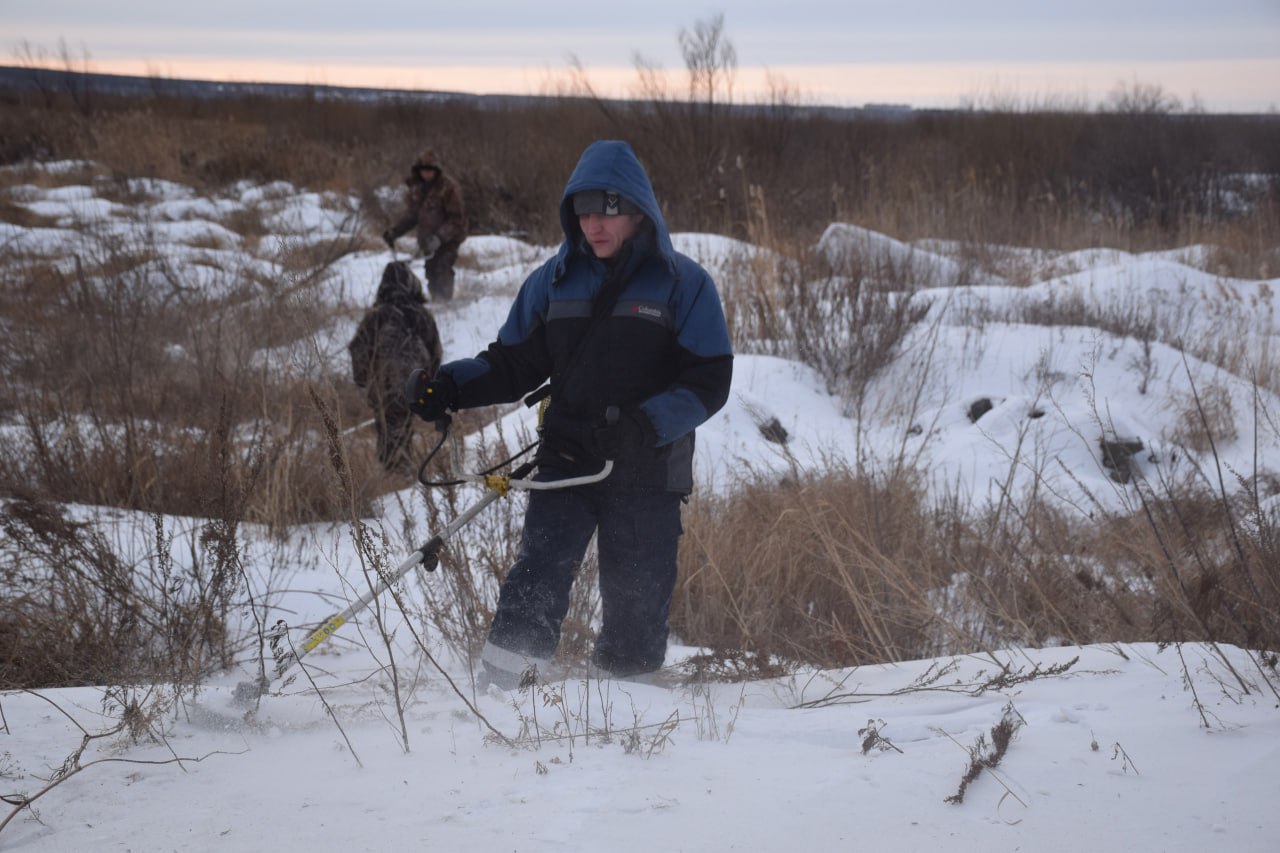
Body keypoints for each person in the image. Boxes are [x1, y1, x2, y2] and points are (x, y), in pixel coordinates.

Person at [404, 139, 734, 689]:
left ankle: (627, 713)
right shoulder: (551, 282)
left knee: (635, 598)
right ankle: (504, 695)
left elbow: (709, 382)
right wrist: (448, 388)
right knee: (536, 580)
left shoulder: (684, 285)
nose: (594, 225)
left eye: (608, 210)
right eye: (582, 211)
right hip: (567, 459)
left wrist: (642, 427)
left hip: (648, 471)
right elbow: (511, 364)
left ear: (638, 210)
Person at [348, 261, 443, 474]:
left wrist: (363, 380)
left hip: (384, 386)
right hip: (415, 385)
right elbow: (435, 352)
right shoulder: (422, 315)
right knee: (402, 428)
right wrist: (432, 384)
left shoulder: (377, 315)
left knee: (388, 429)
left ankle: (395, 473)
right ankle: (400, 472)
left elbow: (359, 350)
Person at [382, 148, 467, 301]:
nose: (426, 173)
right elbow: (412, 216)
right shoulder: (417, 189)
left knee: (442, 269)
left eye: (430, 170)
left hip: (448, 240)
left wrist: (440, 238)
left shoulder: (448, 188)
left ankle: (446, 306)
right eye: (423, 170)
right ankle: (437, 303)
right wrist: (394, 232)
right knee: (431, 272)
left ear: (436, 170)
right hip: (427, 242)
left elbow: (457, 220)